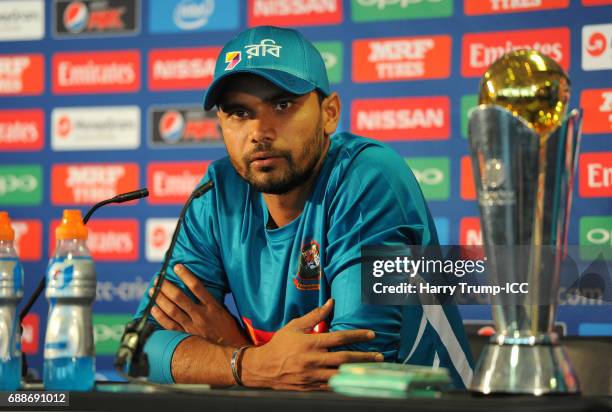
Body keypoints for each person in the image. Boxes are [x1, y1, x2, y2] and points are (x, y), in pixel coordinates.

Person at [134, 25, 473, 390]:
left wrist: (233, 350)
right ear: (221, 123)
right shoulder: (216, 194)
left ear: (330, 113)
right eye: (239, 113)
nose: (259, 132)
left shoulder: (367, 177)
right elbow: (137, 351)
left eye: (282, 105)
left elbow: (352, 368)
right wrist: (246, 362)